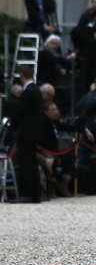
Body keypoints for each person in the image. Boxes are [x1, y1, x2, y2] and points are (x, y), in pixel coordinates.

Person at [9, 65, 45, 202]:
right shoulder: (36, 90)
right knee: (32, 162)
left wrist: (13, 126)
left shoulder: (28, 91)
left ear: (22, 76)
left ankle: (27, 194)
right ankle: (35, 193)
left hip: (26, 132)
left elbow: (21, 112)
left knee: (25, 163)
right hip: (34, 132)